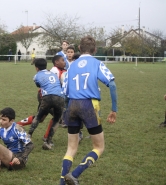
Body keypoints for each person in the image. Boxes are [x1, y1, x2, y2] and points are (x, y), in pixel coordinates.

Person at [60, 36, 117, 185]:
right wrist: (114, 109)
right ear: (95, 50)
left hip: (72, 104)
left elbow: (65, 91)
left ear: (79, 48)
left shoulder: (71, 65)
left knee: (71, 148)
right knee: (99, 147)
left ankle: (62, 182)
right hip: (89, 105)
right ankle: (75, 174)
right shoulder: (97, 63)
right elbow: (111, 84)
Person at [28, 58, 64, 150]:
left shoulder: (36, 76)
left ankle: (28, 135)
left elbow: (39, 86)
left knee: (39, 116)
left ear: (36, 68)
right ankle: (48, 142)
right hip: (59, 97)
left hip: (47, 97)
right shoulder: (53, 74)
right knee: (56, 119)